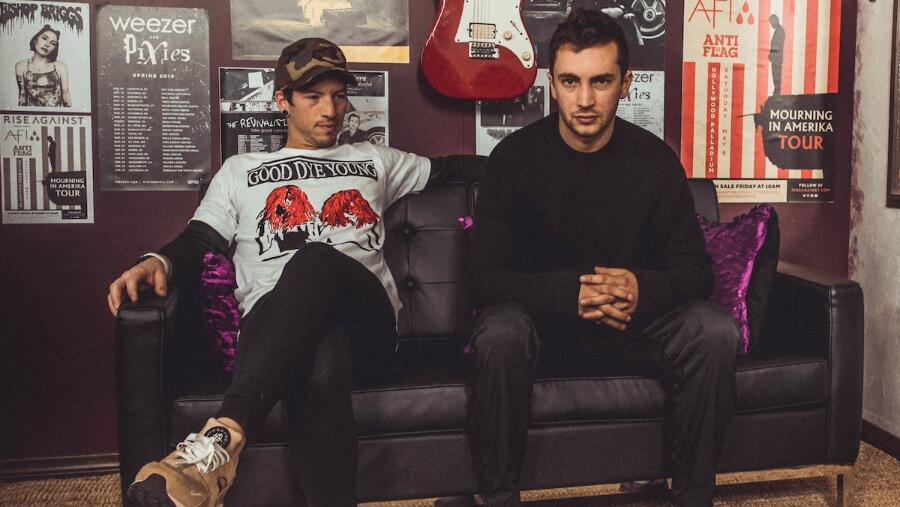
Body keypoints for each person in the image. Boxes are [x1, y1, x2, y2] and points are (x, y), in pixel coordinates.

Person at [108, 37, 472, 507]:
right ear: (282, 100)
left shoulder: (374, 159)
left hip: (369, 326)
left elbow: (451, 170)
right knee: (321, 358)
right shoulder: (240, 170)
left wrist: (538, 157)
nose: (331, 110)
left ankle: (223, 436)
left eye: (339, 96)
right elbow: (200, 240)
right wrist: (155, 261)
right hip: (277, 330)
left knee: (314, 258)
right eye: (313, 96)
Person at [460, 9, 738, 507]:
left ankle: (692, 497)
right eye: (570, 81)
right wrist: (569, 293)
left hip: (632, 329)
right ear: (552, 84)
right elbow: (483, 278)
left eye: (601, 81)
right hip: (543, 331)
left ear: (625, 84)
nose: (585, 100)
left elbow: (696, 273)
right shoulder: (514, 160)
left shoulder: (655, 161)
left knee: (712, 330)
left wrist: (639, 288)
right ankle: (498, 498)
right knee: (499, 331)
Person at [15, 25, 72, 107]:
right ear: (35, 40)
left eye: (53, 43)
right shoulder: (21, 66)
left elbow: (66, 95)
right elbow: (22, 96)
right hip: (32, 114)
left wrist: (69, 113)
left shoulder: (60, 66)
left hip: (56, 114)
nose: (47, 44)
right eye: (44, 38)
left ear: (54, 48)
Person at [768, 15, 785, 96]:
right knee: (775, 75)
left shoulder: (780, 31)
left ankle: (777, 93)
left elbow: (777, 45)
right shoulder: (778, 31)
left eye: (772, 22)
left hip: (777, 58)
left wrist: (771, 54)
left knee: (776, 75)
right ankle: (776, 92)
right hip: (775, 58)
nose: (771, 25)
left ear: (776, 21)